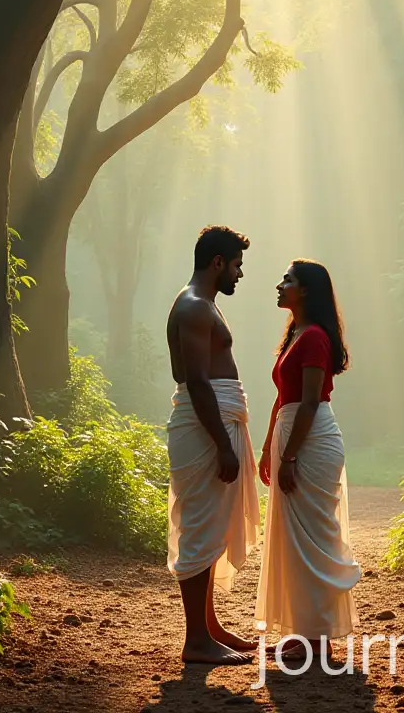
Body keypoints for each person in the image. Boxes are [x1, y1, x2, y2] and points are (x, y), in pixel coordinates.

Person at [255, 259, 361, 659]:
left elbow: (311, 401)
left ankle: (316, 637)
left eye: (288, 280)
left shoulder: (314, 336)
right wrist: (269, 448)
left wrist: (291, 454)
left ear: (307, 291)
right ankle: (302, 630)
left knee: (313, 536)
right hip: (291, 433)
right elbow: (284, 397)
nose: (280, 285)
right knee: (293, 538)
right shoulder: (295, 334)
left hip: (311, 441)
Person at [164, 225, 260, 665]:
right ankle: (196, 641)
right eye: (237, 265)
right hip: (205, 427)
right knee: (201, 526)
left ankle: (210, 628)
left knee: (211, 525)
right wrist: (222, 444)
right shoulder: (194, 307)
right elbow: (196, 382)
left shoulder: (203, 305)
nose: (240, 274)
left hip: (214, 421)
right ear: (218, 262)